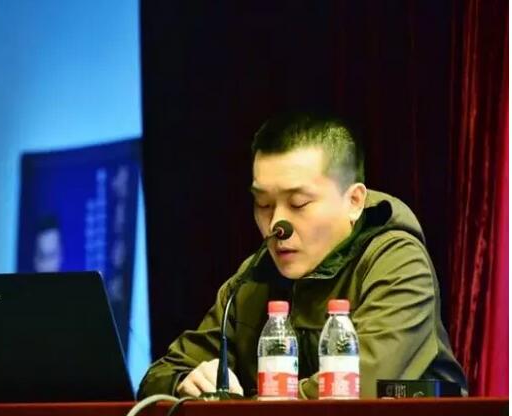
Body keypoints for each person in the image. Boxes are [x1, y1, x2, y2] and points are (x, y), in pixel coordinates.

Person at [137, 112, 468, 399]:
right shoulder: (253, 279)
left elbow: (354, 389)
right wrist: (185, 383)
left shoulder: (397, 262)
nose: (276, 226)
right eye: (263, 204)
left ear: (353, 201)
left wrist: (244, 408)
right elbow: (159, 376)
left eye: (298, 204)